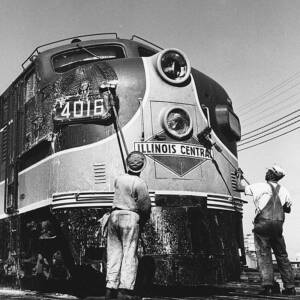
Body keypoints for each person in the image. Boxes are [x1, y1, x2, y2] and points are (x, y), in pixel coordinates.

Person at [236, 165, 296, 296]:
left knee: (264, 255)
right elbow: (288, 209)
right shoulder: (284, 190)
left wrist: (239, 176)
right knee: (282, 255)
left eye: (268, 171)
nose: (266, 172)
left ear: (270, 174)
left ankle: (268, 286)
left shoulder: (260, 186)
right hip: (278, 226)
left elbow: (239, 187)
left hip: (263, 224)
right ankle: (290, 287)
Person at [105, 151, 151, 300]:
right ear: (141, 167)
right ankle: (124, 292)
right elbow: (145, 206)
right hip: (130, 217)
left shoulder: (118, 179)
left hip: (114, 216)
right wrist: (142, 219)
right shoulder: (139, 183)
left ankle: (110, 288)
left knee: (113, 254)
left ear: (127, 164)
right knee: (129, 255)